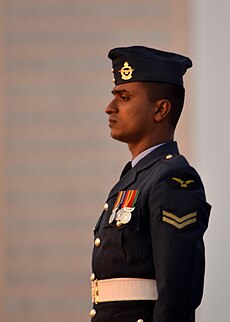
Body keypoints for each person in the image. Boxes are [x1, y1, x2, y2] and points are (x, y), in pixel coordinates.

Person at [90, 46, 211, 322]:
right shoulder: (134, 179)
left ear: (160, 109)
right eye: (114, 97)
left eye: (124, 97)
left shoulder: (174, 179)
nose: (110, 107)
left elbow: (177, 295)